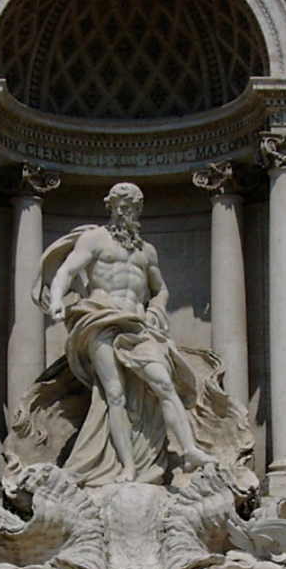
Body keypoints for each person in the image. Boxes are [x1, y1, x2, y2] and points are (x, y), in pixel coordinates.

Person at [36, 183, 215, 485]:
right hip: (99, 319)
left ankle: (190, 449)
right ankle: (128, 467)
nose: (123, 210)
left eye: (129, 205)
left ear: (138, 210)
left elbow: (161, 289)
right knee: (114, 393)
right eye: (118, 204)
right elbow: (66, 271)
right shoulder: (95, 239)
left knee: (163, 383)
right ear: (110, 207)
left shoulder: (146, 252)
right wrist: (56, 300)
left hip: (138, 325)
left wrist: (157, 310)